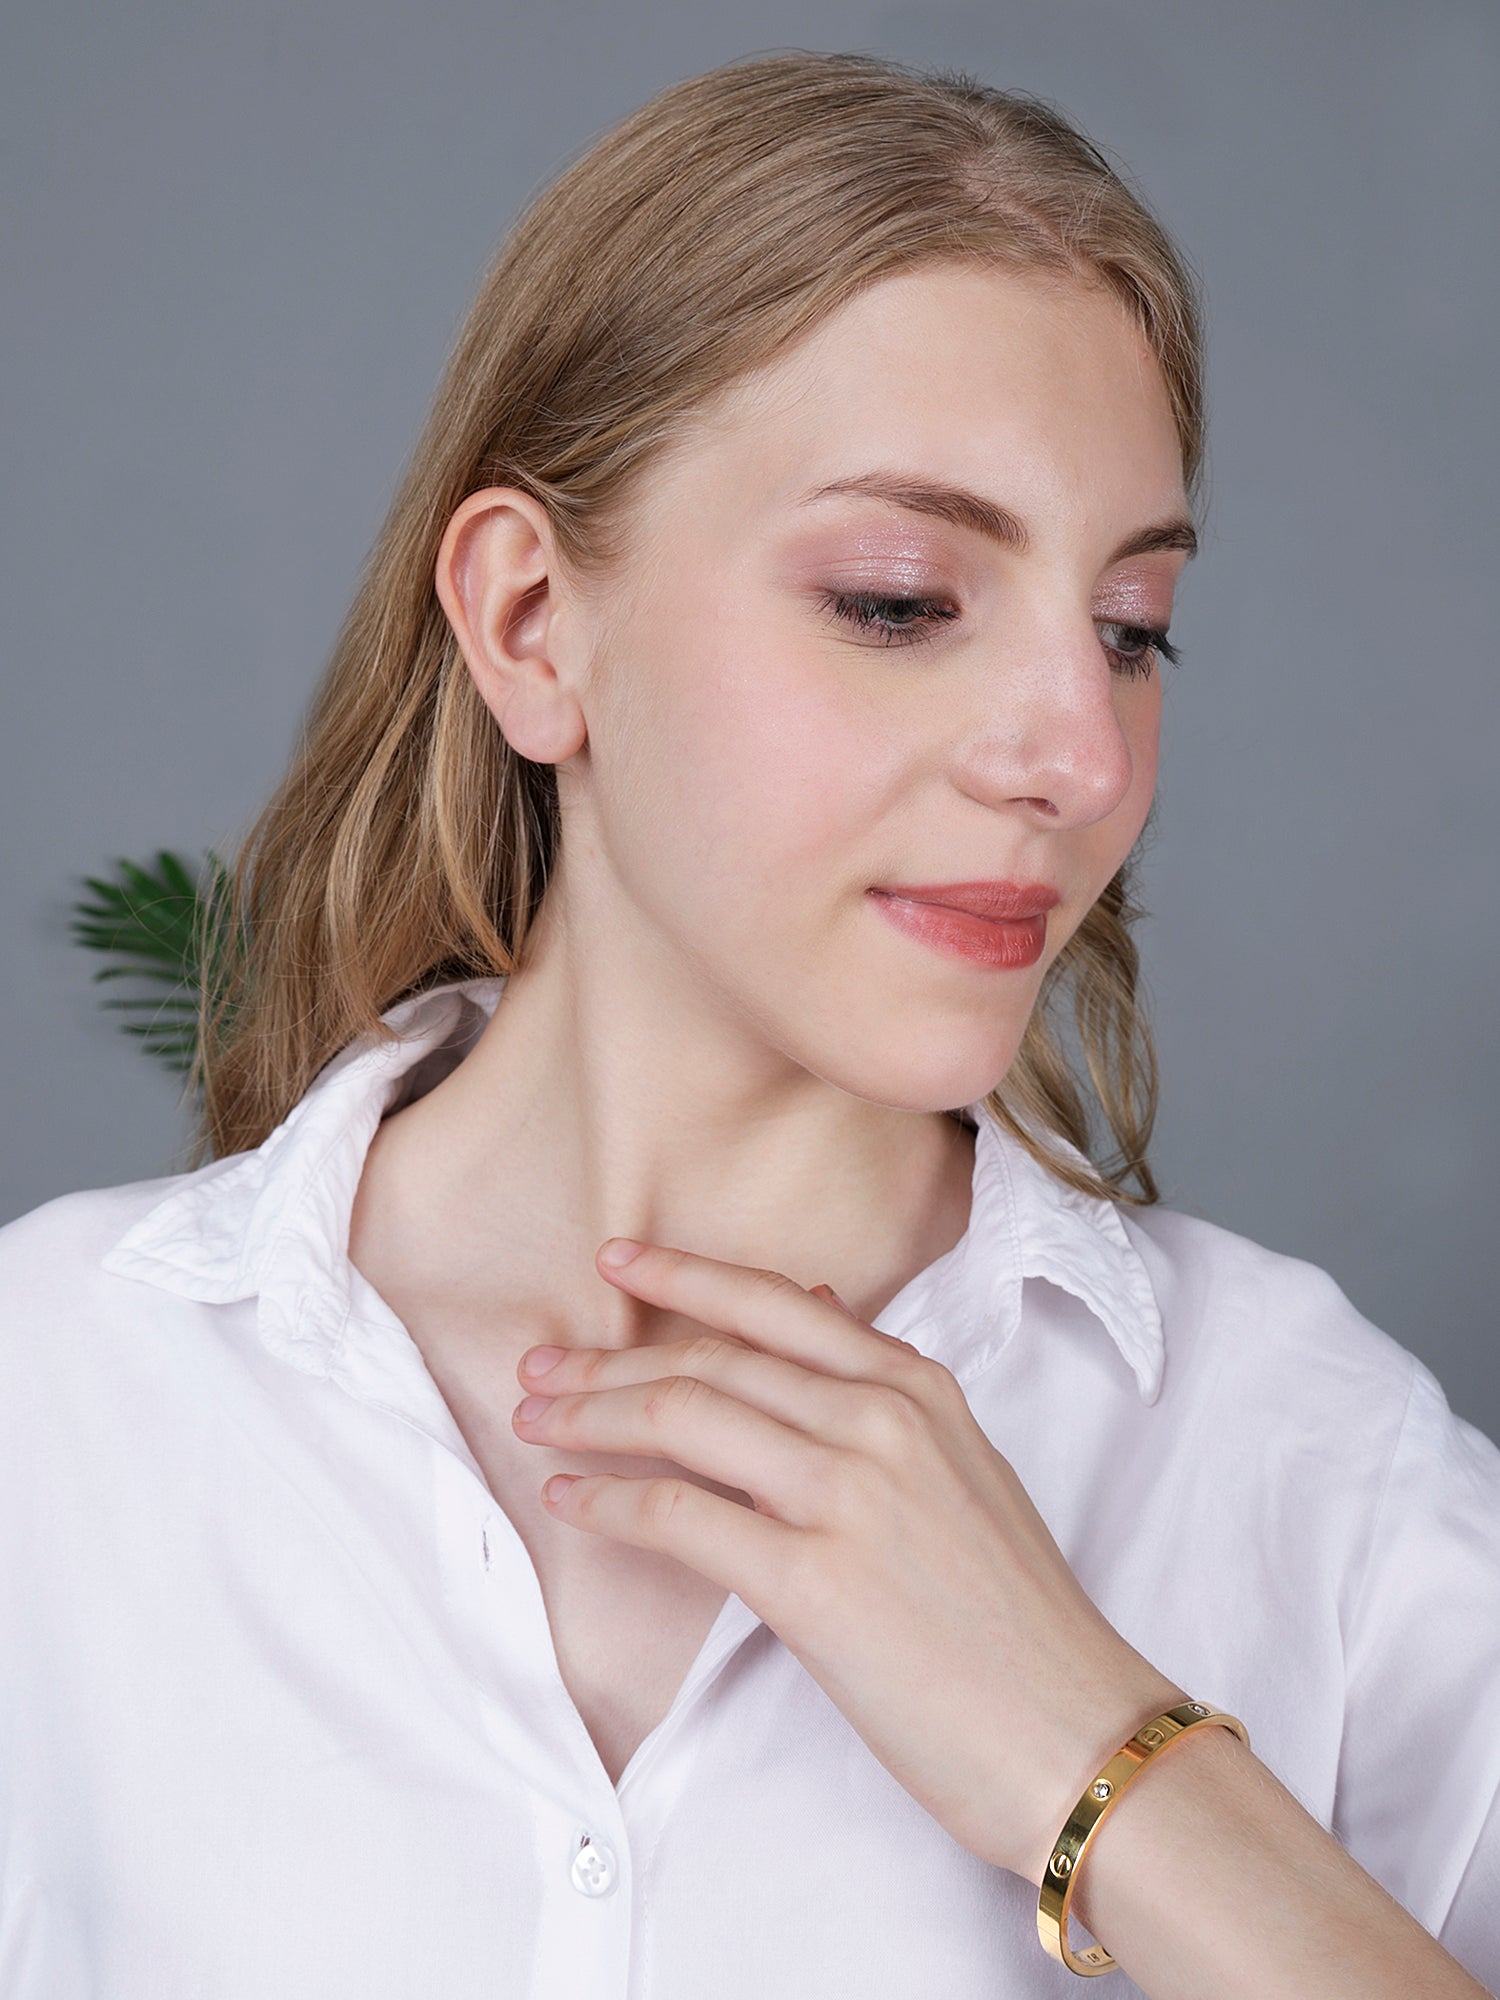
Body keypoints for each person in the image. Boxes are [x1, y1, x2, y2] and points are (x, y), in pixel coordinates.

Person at [1, 46, 1495, 2000]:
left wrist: (1104, 1763)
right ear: (535, 622)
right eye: (900, 598)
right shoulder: (59, 1412)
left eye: (1131, 626)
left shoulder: (1312, 1468)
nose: (1073, 751)